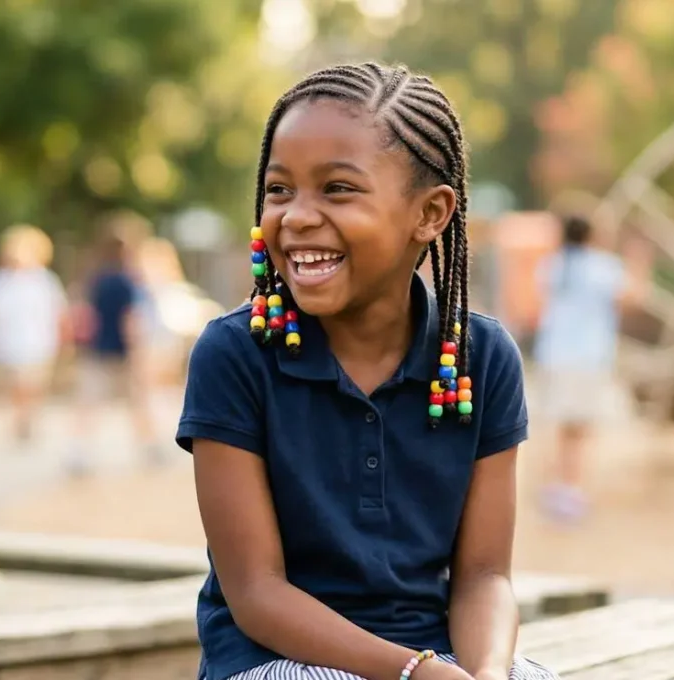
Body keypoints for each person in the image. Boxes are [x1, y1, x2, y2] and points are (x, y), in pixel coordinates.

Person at [177, 63, 551, 680]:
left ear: (430, 214)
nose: (296, 216)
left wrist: (482, 674)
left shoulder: (481, 358)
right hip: (280, 661)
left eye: (337, 189)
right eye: (279, 190)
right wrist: (412, 673)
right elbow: (256, 593)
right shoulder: (234, 355)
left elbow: (485, 575)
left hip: (440, 659)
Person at [532, 214, 644, 521]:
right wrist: (639, 261)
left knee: (555, 426)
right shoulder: (603, 266)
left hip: (553, 353)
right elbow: (633, 297)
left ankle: (553, 487)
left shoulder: (552, 265)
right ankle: (571, 490)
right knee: (578, 429)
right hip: (587, 357)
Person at [68, 218, 161, 474]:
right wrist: (138, 353)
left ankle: (79, 452)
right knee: (138, 402)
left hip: (98, 350)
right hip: (122, 353)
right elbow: (130, 321)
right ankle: (150, 448)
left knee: (89, 403)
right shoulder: (127, 282)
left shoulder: (96, 279)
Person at [0, 224, 70, 444]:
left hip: (39, 343)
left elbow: (59, 313)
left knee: (33, 384)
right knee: (14, 385)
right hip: (6, 343)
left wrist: (65, 341)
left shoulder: (45, 281)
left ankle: (28, 418)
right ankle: (19, 420)